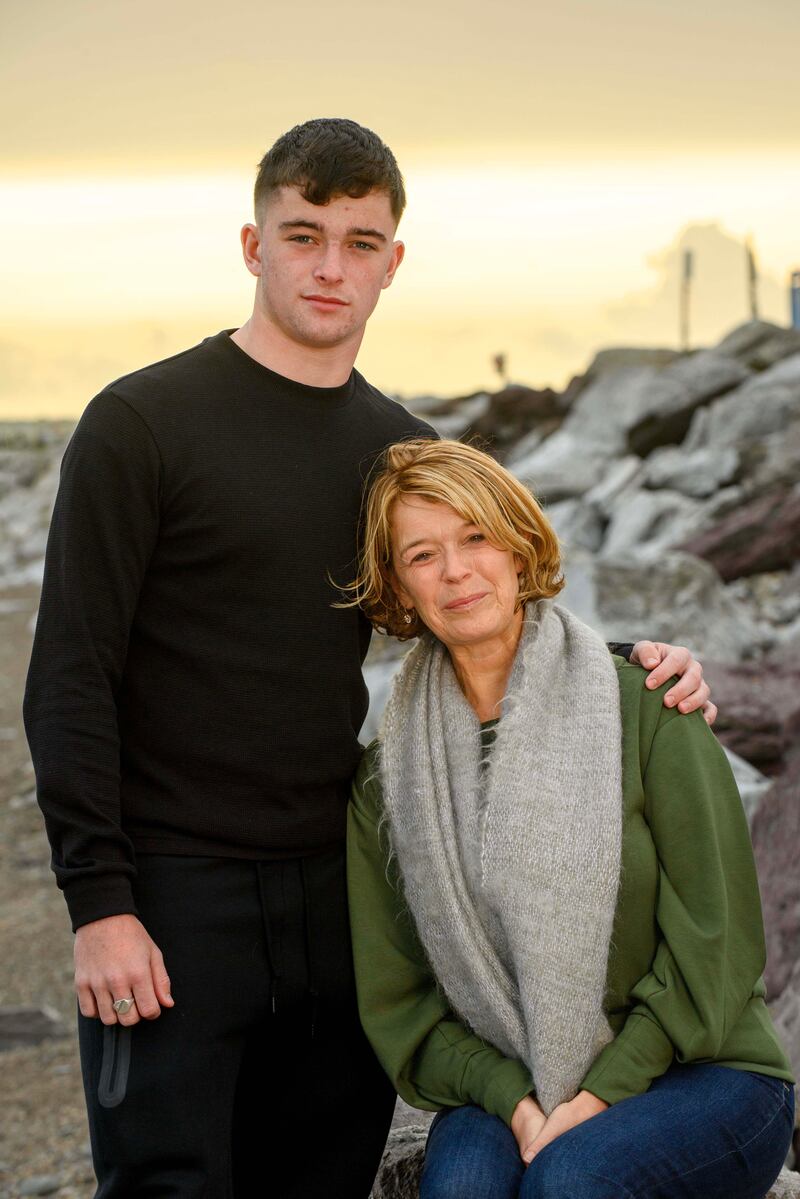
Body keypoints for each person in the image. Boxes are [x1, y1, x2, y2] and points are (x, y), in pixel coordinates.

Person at [24, 119, 713, 1198]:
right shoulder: (139, 423)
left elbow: (482, 617)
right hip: (171, 892)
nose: (329, 265)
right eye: (303, 235)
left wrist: (637, 663)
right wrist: (98, 899)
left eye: (359, 240)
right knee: (166, 1181)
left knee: (322, 1179)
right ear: (254, 246)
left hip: (343, 892)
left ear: (394, 261)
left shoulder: (393, 451)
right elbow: (69, 672)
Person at [346, 438, 794, 1199]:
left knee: (573, 1179)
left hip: (708, 1071)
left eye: (475, 536)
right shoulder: (388, 780)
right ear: (398, 587)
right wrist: (516, 1102)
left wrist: (592, 1098)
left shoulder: (650, 706)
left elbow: (715, 950)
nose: (455, 571)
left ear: (518, 547)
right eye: (422, 555)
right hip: (507, 1077)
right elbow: (402, 1001)